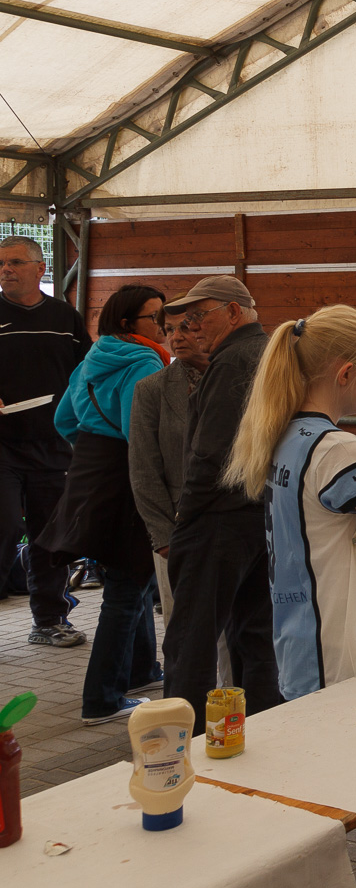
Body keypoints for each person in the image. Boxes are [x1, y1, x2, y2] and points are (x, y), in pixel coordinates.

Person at [224, 305, 356, 700]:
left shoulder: (282, 434)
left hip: (300, 641)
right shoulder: (339, 449)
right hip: (346, 651)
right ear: (345, 374)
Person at [162, 275, 284, 736]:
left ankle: (181, 742)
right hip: (259, 515)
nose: (191, 327)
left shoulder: (233, 359)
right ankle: (261, 730)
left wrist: (186, 515)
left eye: (199, 316)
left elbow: (210, 453)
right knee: (255, 635)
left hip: (217, 519)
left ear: (233, 312)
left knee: (191, 641)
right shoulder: (268, 352)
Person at [46, 285, 168, 724]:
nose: (164, 326)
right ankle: (102, 700)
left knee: (134, 579)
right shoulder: (145, 362)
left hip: (91, 478)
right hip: (127, 482)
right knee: (127, 588)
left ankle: (141, 671)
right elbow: (143, 433)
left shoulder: (94, 357)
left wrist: (96, 449)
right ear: (128, 322)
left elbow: (64, 420)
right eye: (155, 318)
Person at [129, 309, 233, 686]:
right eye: (169, 329)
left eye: (187, 327)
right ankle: (186, 712)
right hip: (177, 531)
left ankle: (238, 708)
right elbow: (143, 469)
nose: (177, 337)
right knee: (187, 638)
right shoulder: (153, 389)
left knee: (239, 634)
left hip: (236, 526)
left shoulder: (241, 380)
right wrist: (163, 538)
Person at [0, 234, 90, 648]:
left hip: (53, 446)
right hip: (3, 446)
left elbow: (84, 372)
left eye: (15, 262)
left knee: (51, 536)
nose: (6, 270)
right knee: (5, 525)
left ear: (41, 269)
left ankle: (50, 620)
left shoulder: (64, 317)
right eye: (2, 263)